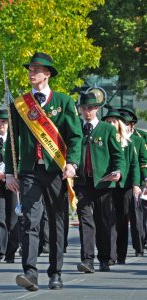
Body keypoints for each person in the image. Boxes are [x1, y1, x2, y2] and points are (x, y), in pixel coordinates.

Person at [5, 52, 83, 291]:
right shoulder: (19, 104)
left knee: (57, 222)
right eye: (30, 69)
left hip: (56, 171)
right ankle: (29, 272)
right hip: (29, 171)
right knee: (30, 220)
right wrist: (10, 172)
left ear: (48, 74)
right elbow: (12, 142)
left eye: (36, 70)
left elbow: (75, 136)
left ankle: (55, 273)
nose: (31, 73)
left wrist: (72, 163)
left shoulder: (64, 102)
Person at [75, 94, 125, 274]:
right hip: (82, 182)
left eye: (90, 108)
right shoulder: (76, 129)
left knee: (103, 221)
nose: (87, 112)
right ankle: (87, 260)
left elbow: (118, 155)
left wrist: (118, 172)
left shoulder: (107, 129)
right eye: (84, 108)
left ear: (97, 109)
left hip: (103, 182)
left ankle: (104, 258)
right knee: (85, 221)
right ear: (80, 110)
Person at [102, 109, 141, 264]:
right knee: (107, 219)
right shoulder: (102, 138)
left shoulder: (128, 142)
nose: (111, 124)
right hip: (106, 184)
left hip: (124, 186)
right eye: (109, 121)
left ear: (119, 124)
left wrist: (136, 185)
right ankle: (110, 255)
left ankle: (121, 254)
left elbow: (134, 165)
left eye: (114, 121)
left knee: (122, 220)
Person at [0, 109, 19, 263]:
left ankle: (10, 252)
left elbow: (20, 161)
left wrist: (12, 175)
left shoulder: (15, 140)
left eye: (4, 122)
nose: (1, 124)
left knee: (13, 219)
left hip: (13, 183)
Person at [118, 107, 147, 251]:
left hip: (137, 181)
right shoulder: (115, 137)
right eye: (123, 122)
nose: (125, 126)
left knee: (136, 214)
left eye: (128, 123)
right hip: (119, 181)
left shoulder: (139, 139)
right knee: (121, 215)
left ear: (132, 125)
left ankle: (139, 247)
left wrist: (144, 179)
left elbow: (143, 161)